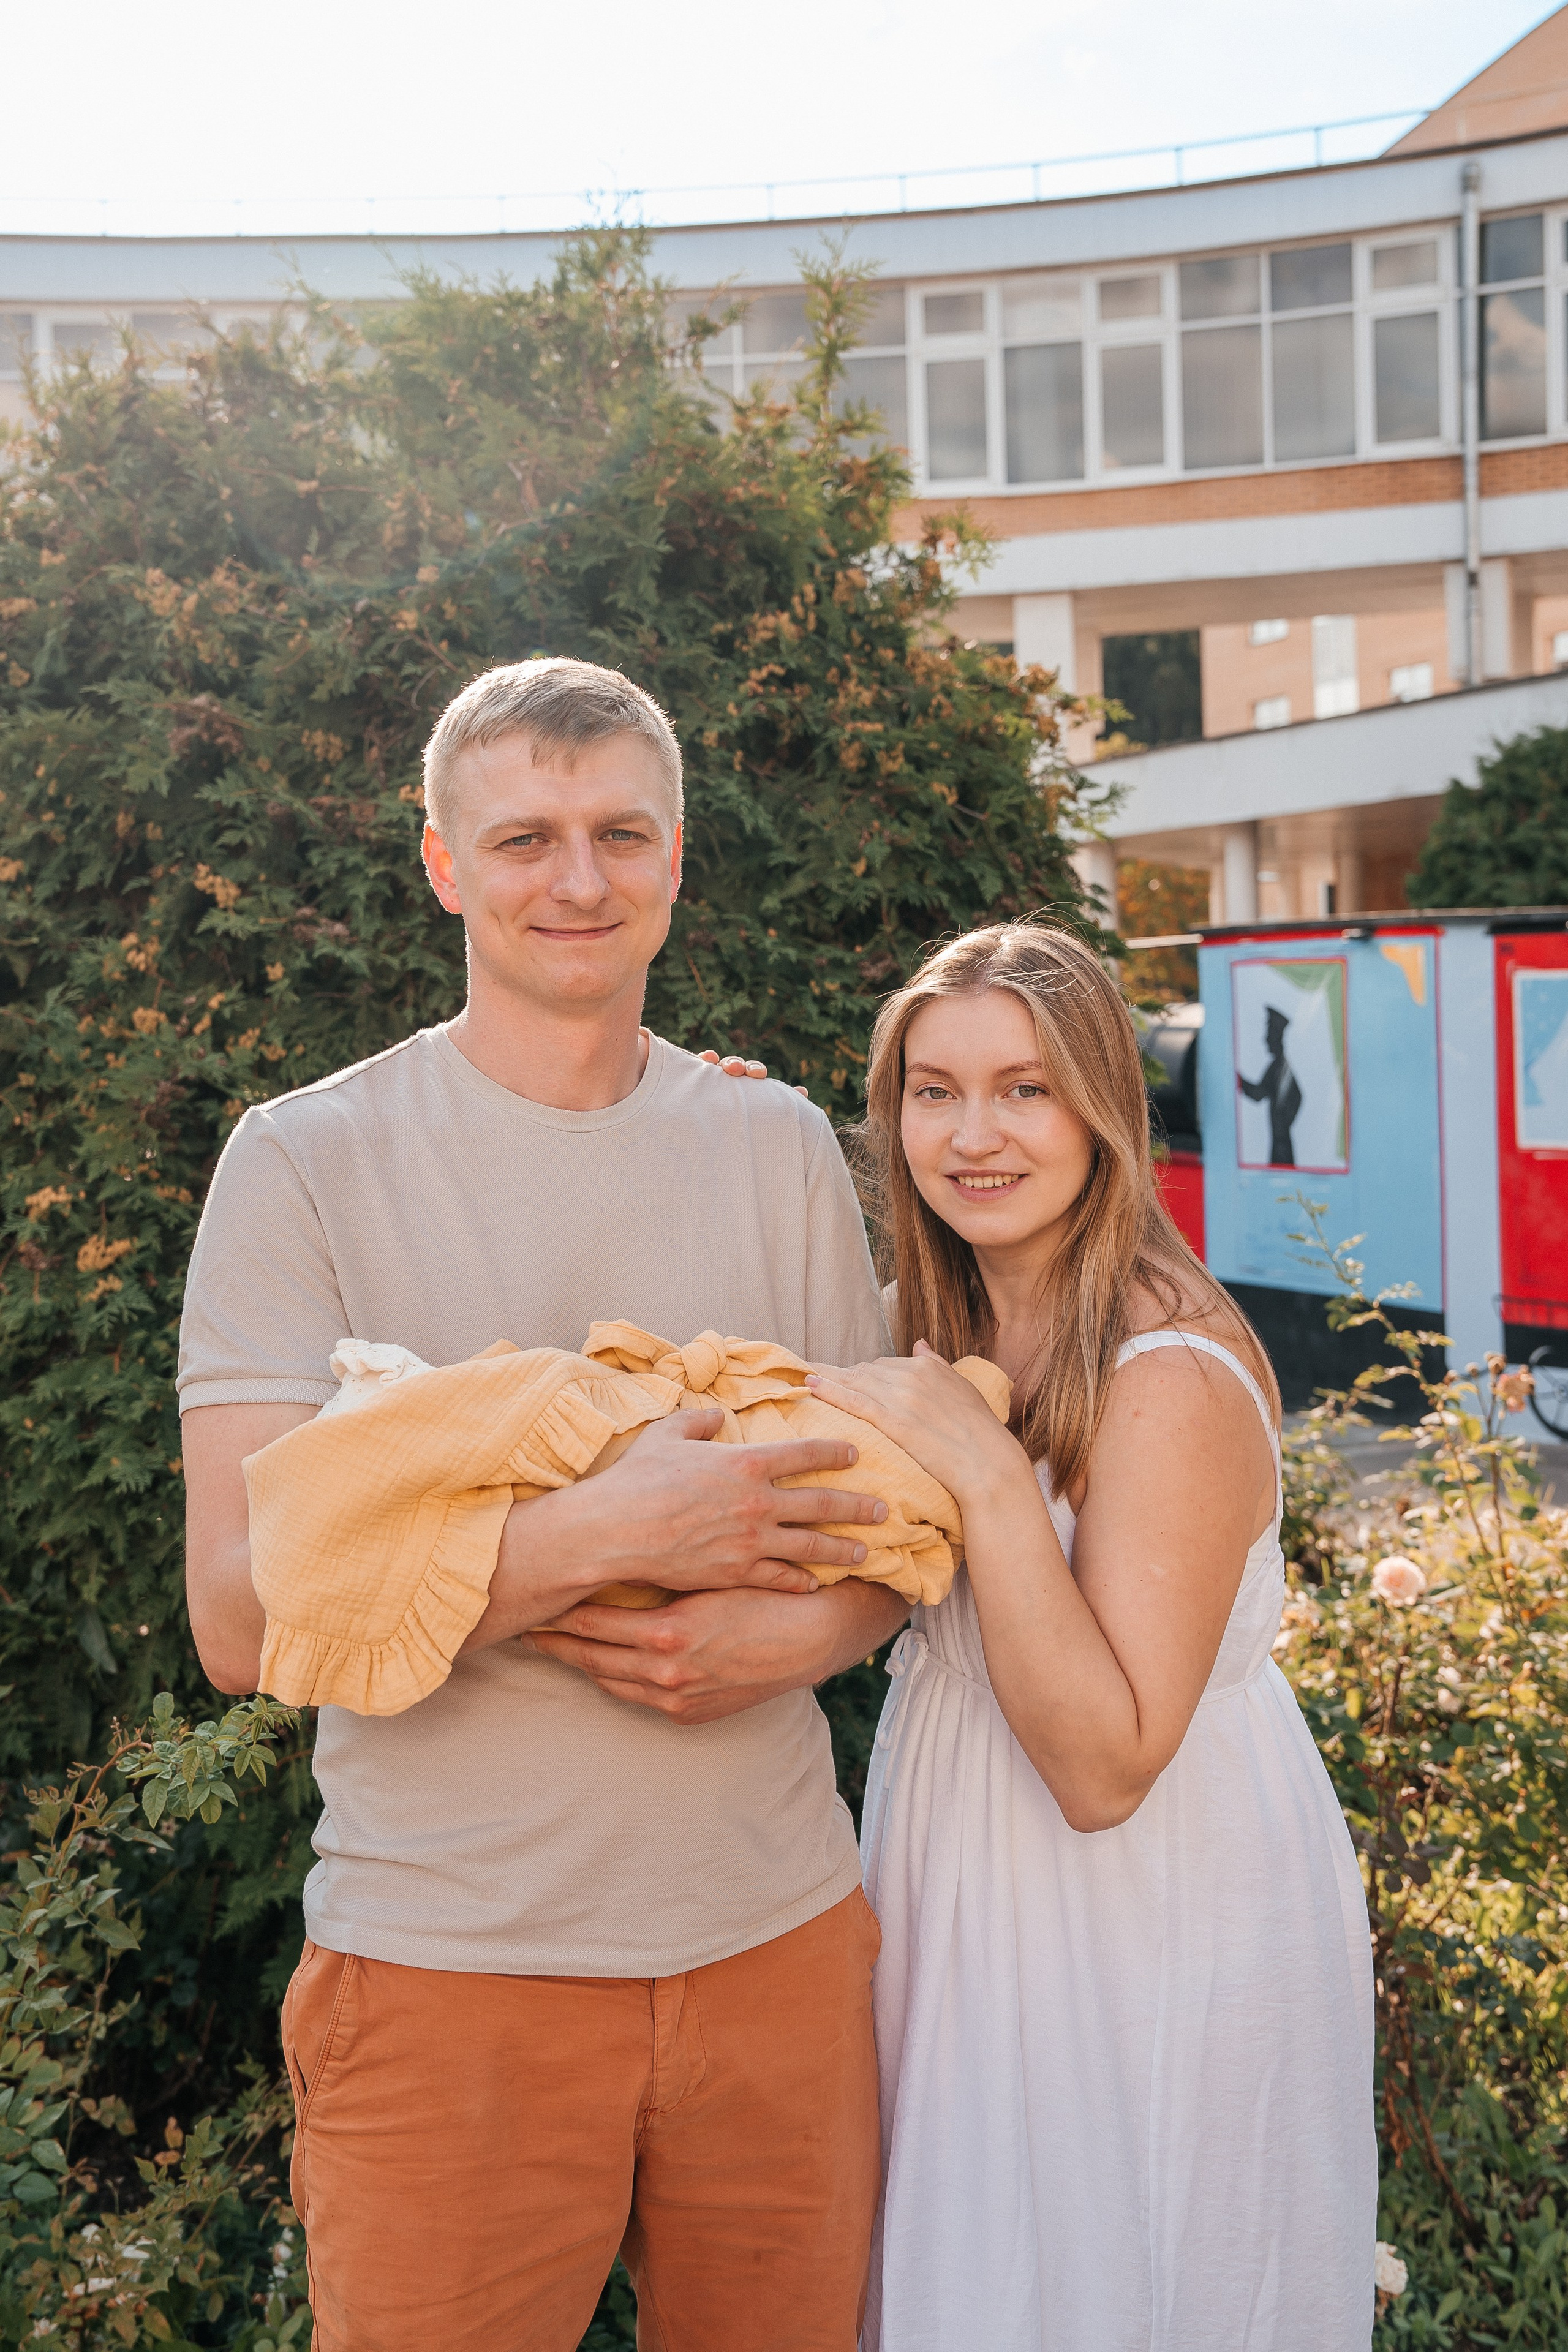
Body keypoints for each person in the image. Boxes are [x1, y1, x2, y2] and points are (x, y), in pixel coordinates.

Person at [178, 657, 908, 2352]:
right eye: (522, 839)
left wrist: (803, 1631)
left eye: (618, 834)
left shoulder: (779, 1144)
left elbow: (898, 1522)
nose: (575, 880)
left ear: (675, 860)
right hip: (451, 1975)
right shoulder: (305, 1161)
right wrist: (616, 1536)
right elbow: (238, 1613)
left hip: (782, 1953)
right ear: (441, 862)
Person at [802, 921, 1377, 2352]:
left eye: (1023, 1089)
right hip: (960, 1870)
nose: (972, 1133)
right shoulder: (940, 1321)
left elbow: (1105, 1768)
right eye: (931, 1092)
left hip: (1140, 1895)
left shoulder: (1163, 1369)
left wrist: (990, 1477)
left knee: (1118, 2267)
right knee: (974, 2268)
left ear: (1102, 1111)